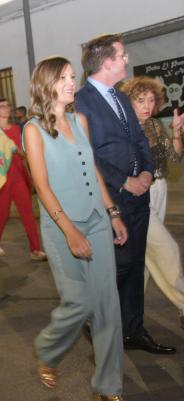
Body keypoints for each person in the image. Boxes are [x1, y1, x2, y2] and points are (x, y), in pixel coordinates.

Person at [25, 56, 128, 401]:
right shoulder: (32, 130)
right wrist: (70, 232)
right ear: (47, 84)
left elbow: (94, 172)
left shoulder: (80, 120)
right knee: (79, 302)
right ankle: (48, 350)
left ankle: (107, 386)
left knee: (107, 305)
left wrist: (112, 212)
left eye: (73, 76)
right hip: (61, 228)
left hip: (97, 220)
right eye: (64, 77)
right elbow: (42, 186)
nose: (72, 82)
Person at [75, 34, 175, 354]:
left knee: (134, 267)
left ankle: (134, 330)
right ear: (107, 62)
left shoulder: (120, 98)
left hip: (139, 196)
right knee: (116, 268)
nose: (127, 60)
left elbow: (140, 142)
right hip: (110, 199)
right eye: (122, 55)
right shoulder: (81, 102)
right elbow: (86, 154)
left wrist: (145, 171)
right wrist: (123, 181)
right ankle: (104, 331)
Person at [122, 76, 184, 330]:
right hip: (139, 195)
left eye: (150, 100)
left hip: (160, 189)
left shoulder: (156, 126)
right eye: (140, 100)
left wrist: (177, 132)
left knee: (145, 258)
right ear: (129, 102)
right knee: (167, 249)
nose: (147, 105)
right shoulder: (123, 130)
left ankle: (128, 318)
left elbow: (175, 158)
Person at [0, 98, 47, 261]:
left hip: (19, 176)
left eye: (7, 105)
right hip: (2, 178)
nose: (6, 108)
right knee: (3, 213)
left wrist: (20, 154)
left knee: (27, 212)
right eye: (1, 106)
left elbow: (23, 153)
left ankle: (35, 249)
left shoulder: (16, 129)